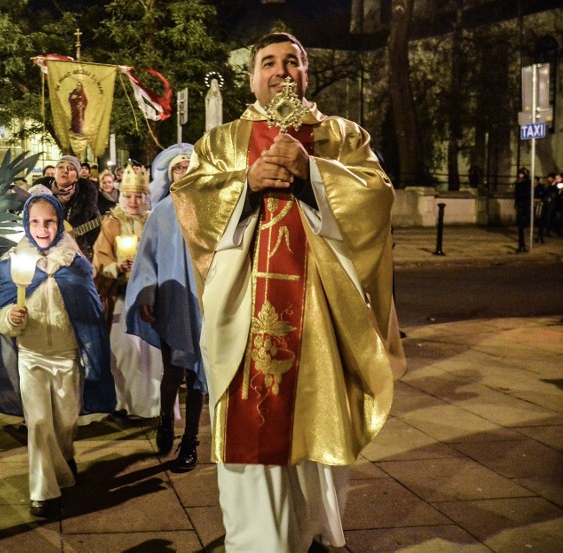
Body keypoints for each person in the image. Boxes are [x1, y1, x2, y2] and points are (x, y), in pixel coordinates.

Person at [170, 32, 405, 552]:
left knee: (313, 441)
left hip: (319, 323)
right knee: (252, 443)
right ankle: (256, 542)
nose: (280, 71)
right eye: (268, 62)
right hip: (245, 319)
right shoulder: (224, 141)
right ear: (252, 77)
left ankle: (307, 533)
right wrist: (245, 184)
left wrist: (314, 175)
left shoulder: (341, 136)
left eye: (292, 62)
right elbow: (188, 202)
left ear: (307, 71)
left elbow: (377, 198)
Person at [0, 189, 115, 518]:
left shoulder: (75, 264)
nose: (42, 228)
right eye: (35, 222)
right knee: (39, 422)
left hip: (67, 356)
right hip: (32, 356)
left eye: (50, 222)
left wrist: (89, 342)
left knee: (65, 423)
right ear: (27, 225)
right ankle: (42, 492)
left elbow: (90, 308)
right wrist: (10, 318)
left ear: (60, 224)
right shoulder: (14, 264)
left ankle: (65, 457)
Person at [126, 143, 207, 473]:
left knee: (198, 375)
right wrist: (146, 294)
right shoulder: (160, 212)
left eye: (189, 166)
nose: (184, 171)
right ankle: (164, 421)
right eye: (178, 167)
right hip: (173, 301)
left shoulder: (212, 208)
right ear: (170, 173)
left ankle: (190, 441)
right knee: (173, 371)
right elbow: (146, 259)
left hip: (204, 304)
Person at [93, 165, 162, 419]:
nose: (134, 202)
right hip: (120, 299)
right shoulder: (111, 223)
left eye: (139, 196)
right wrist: (116, 267)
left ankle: (149, 406)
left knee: (151, 355)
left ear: (146, 197)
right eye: (129, 196)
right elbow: (99, 261)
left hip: (149, 298)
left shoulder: (154, 222)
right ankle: (122, 404)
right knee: (122, 353)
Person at [45, 155, 102, 258]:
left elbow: (97, 225)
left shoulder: (86, 196)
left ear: (77, 177)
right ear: (55, 172)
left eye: (71, 168)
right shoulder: (43, 193)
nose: (65, 170)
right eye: (61, 167)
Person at [514, 168, 531, 252]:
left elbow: (526, 194)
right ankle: (521, 244)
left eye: (522, 174)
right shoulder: (518, 182)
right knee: (520, 226)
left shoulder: (526, 183)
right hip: (520, 205)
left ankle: (522, 245)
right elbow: (517, 194)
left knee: (522, 224)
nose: (520, 175)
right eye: (519, 174)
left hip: (524, 205)